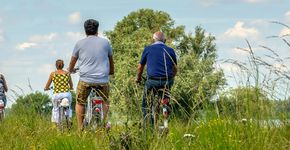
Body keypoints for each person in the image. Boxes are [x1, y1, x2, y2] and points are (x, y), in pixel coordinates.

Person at [68, 19, 114, 130]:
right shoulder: (105, 42)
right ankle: (102, 123)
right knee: (105, 100)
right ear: (97, 30)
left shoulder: (79, 43)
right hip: (102, 80)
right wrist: (111, 72)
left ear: (85, 31)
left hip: (85, 80)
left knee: (80, 102)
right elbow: (111, 60)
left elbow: (72, 62)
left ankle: (80, 128)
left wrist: (70, 70)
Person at [136, 31, 177, 123]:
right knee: (165, 99)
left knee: (146, 104)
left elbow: (140, 67)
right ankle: (166, 119)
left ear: (153, 40)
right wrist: (171, 78)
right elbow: (175, 68)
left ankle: (149, 127)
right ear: (165, 40)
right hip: (166, 81)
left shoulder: (148, 49)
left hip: (152, 81)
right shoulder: (170, 50)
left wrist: (138, 79)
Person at [44, 59, 73, 125]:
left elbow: (47, 86)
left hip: (57, 95)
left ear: (56, 66)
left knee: (55, 109)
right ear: (63, 65)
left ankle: (57, 124)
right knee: (69, 107)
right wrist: (71, 87)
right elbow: (71, 85)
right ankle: (69, 118)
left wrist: (46, 88)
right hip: (66, 94)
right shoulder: (67, 73)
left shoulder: (53, 74)